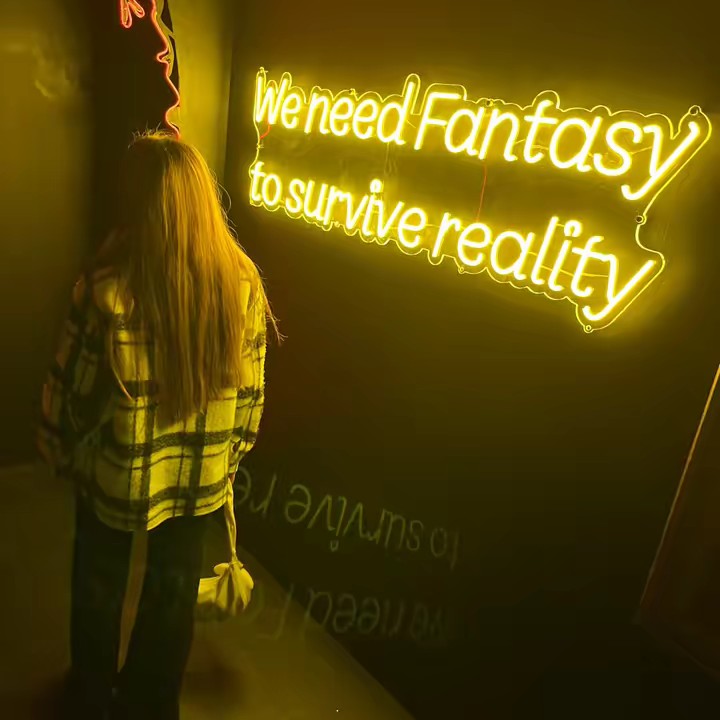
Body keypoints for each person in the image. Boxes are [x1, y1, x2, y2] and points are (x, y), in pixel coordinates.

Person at [36, 131, 276, 719]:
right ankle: (150, 699)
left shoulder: (106, 289)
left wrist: (59, 452)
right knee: (173, 589)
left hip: (116, 474)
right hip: (200, 477)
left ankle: (91, 695)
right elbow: (252, 395)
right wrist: (228, 459)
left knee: (98, 584)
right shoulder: (243, 282)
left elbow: (70, 394)